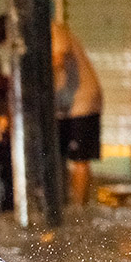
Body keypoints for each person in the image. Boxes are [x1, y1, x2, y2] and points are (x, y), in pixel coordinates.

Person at [52, 20, 103, 206]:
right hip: (61, 106)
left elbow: (59, 58)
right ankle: (64, 205)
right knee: (59, 157)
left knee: (80, 158)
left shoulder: (53, 30)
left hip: (82, 102)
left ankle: (80, 207)